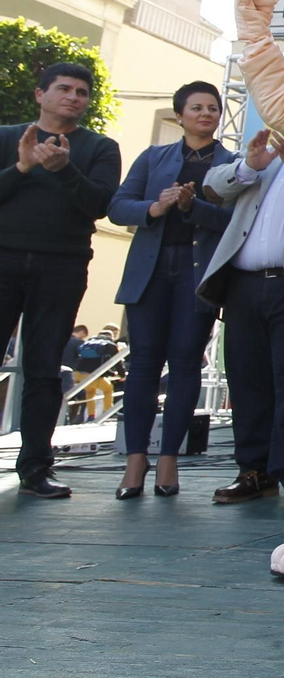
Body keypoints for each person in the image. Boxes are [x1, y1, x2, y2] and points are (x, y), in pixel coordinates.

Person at [0, 62, 122, 498]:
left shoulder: (100, 147)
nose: (74, 96)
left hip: (62, 264)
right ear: (40, 94)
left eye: (82, 92)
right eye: (64, 88)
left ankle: (35, 467)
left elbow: (101, 203)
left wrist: (64, 169)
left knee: (44, 367)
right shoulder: (6, 136)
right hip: (5, 257)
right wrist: (22, 167)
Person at [107, 82, 235, 499]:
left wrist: (190, 207)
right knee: (143, 364)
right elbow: (117, 206)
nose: (206, 114)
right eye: (196, 108)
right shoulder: (154, 157)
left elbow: (234, 222)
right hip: (151, 268)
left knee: (185, 365)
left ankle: (169, 461)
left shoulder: (230, 163)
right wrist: (156, 208)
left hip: (197, 273)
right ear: (179, 115)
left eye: (213, 108)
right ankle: (134, 460)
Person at [198, 128, 284, 510]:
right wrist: (249, 166)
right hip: (243, 283)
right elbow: (212, 186)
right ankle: (253, 472)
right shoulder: (260, 154)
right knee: (246, 379)